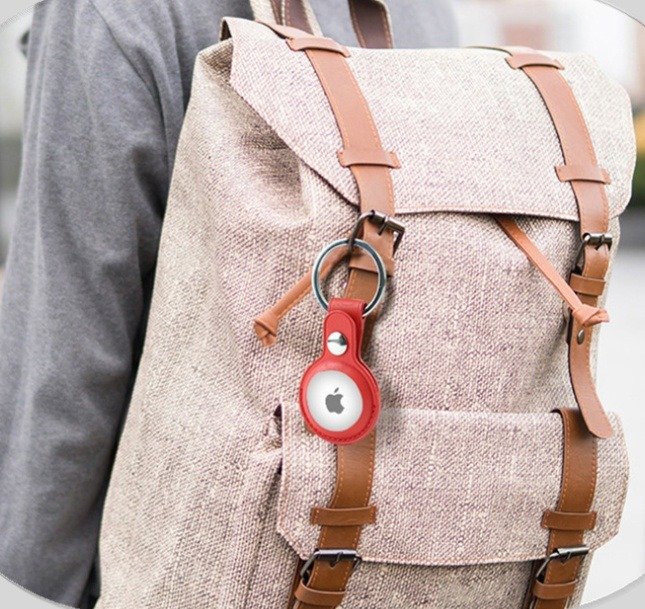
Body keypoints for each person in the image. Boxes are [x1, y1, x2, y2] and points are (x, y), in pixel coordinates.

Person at [0, 0, 458, 607]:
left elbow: (67, 359)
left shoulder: (111, 13)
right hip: (416, 555)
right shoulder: (422, 12)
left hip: (196, 558)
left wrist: (28, 582)